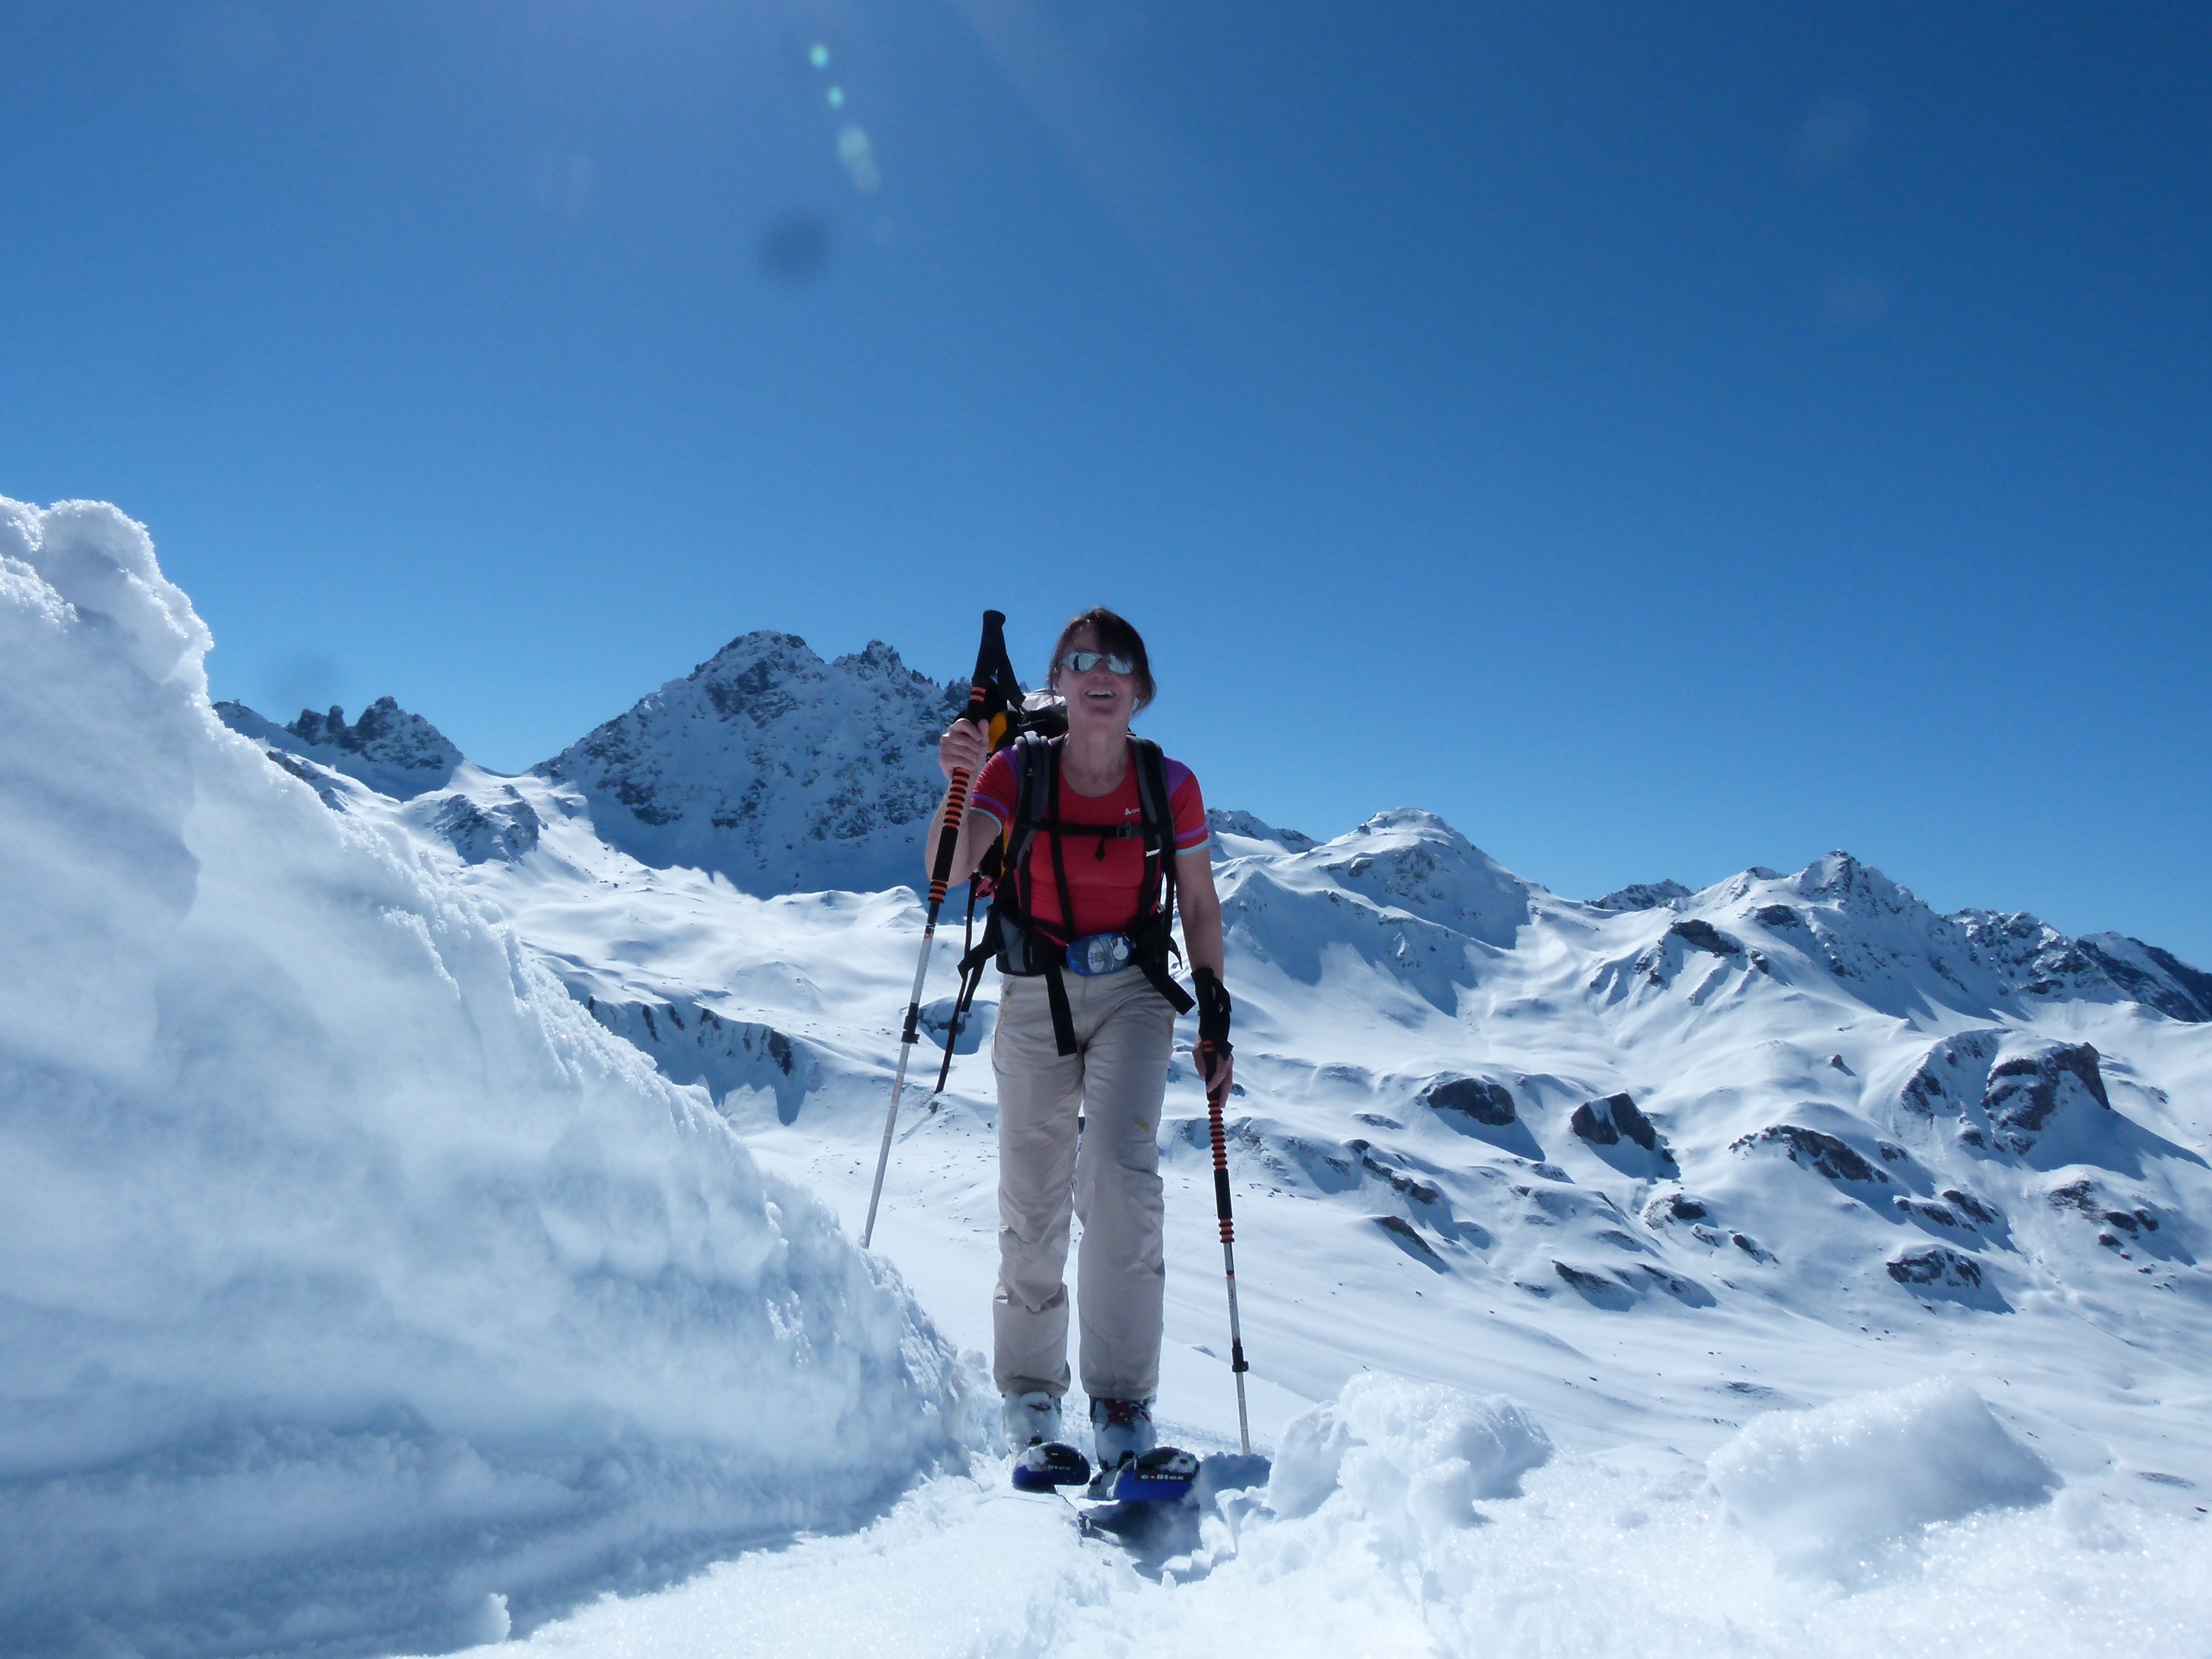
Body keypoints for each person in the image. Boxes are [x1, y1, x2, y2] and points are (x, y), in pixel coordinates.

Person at [927, 607, 1233, 1481]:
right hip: (1036, 993)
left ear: (1139, 688)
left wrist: (1213, 1011)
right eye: (1080, 659)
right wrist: (956, 781)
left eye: (1118, 661)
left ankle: (1122, 1402)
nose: (1100, 672)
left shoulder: (1168, 783)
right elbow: (948, 874)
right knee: (1034, 1194)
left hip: (1137, 995)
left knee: (1122, 1181)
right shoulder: (1013, 772)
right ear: (1056, 684)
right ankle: (1031, 1393)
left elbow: (1201, 904)